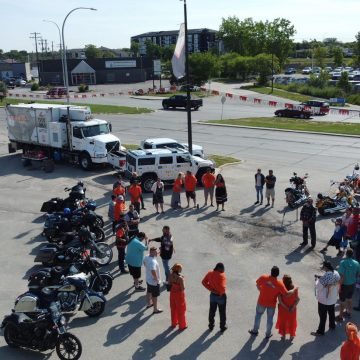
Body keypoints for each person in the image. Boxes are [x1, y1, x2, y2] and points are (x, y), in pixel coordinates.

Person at [249, 266, 295, 339]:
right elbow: (286, 294)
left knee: (258, 315)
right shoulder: (280, 283)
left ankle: (255, 331)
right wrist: (292, 290)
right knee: (270, 319)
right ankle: (268, 334)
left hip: (261, 302)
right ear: (278, 274)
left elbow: (257, 284)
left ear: (271, 272)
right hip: (271, 304)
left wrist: (261, 291)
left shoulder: (263, 277)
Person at [311, 261, 340, 336]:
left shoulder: (325, 277)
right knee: (331, 312)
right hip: (333, 298)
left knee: (323, 316)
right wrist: (321, 277)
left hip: (324, 300)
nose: (322, 268)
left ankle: (320, 331)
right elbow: (332, 280)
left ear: (326, 268)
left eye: (323, 267)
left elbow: (318, 287)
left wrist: (317, 280)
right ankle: (332, 325)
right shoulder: (336, 273)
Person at [202, 263, 227, 332]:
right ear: (219, 268)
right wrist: (220, 293)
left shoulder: (210, 273)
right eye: (223, 268)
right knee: (222, 312)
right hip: (220, 296)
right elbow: (223, 288)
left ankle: (211, 325)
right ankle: (222, 327)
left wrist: (211, 290)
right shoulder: (222, 275)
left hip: (212, 296)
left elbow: (203, 282)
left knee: (212, 311)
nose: (224, 270)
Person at [336, 249, 360, 321]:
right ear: (352, 255)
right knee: (349, 299)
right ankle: (349, 313)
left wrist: (339, 286)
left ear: (346, 254)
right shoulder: (357, 263)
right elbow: (358, 274)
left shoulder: (343, 263)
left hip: (344, 285)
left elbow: (341, 276)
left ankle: (340, 317)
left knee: (342, 301)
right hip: (352, 284)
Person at [275, 275, 300, 341]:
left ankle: (283, 336)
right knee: (292, 322)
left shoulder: (281, 288)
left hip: (283, 309)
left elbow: (280, 301)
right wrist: (292, 307)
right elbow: (297, 299)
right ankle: (291, 336)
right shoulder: (294, 288)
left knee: (283, 322)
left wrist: (287, 308)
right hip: (292, 310)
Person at [143, 247, 163, 314]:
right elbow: (153, 270)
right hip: (153, 282)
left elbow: (144, 263)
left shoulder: (146, 256)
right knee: (155, 296)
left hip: (148, 279)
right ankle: (155, 309)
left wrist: (159, 251)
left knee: (149, 291)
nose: (156, 253)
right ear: (151, 252)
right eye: (155, 252)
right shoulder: (153, 262)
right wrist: (156, 279)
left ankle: (148, 303)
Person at [169, 263, 187, 330]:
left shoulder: (170, 275)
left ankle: (174, 323)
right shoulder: (180, 278)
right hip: (179, 295)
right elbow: (183, 288)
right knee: (181, 310)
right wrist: (183, 280)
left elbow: (169, 283)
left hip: (172, 294)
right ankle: (182, 325)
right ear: (178, 269)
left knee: (173, 309)